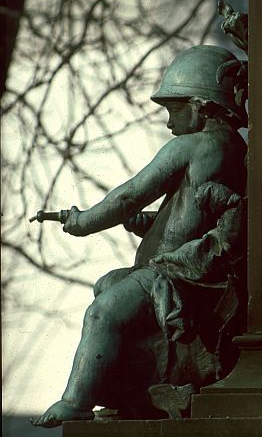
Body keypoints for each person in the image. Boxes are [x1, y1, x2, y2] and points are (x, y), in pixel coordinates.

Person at [32, 45, 248, 427]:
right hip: (175, 273)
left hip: (167, 275)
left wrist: (85, 222)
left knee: (104, 311)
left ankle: (76, 401)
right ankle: (140, 388)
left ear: (200, 105)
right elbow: (193, 214)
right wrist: (148, 225)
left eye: (173, 110)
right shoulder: (232, 148)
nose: (168, 123)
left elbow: (130, 193)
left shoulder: (193, 144)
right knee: (107, 284)